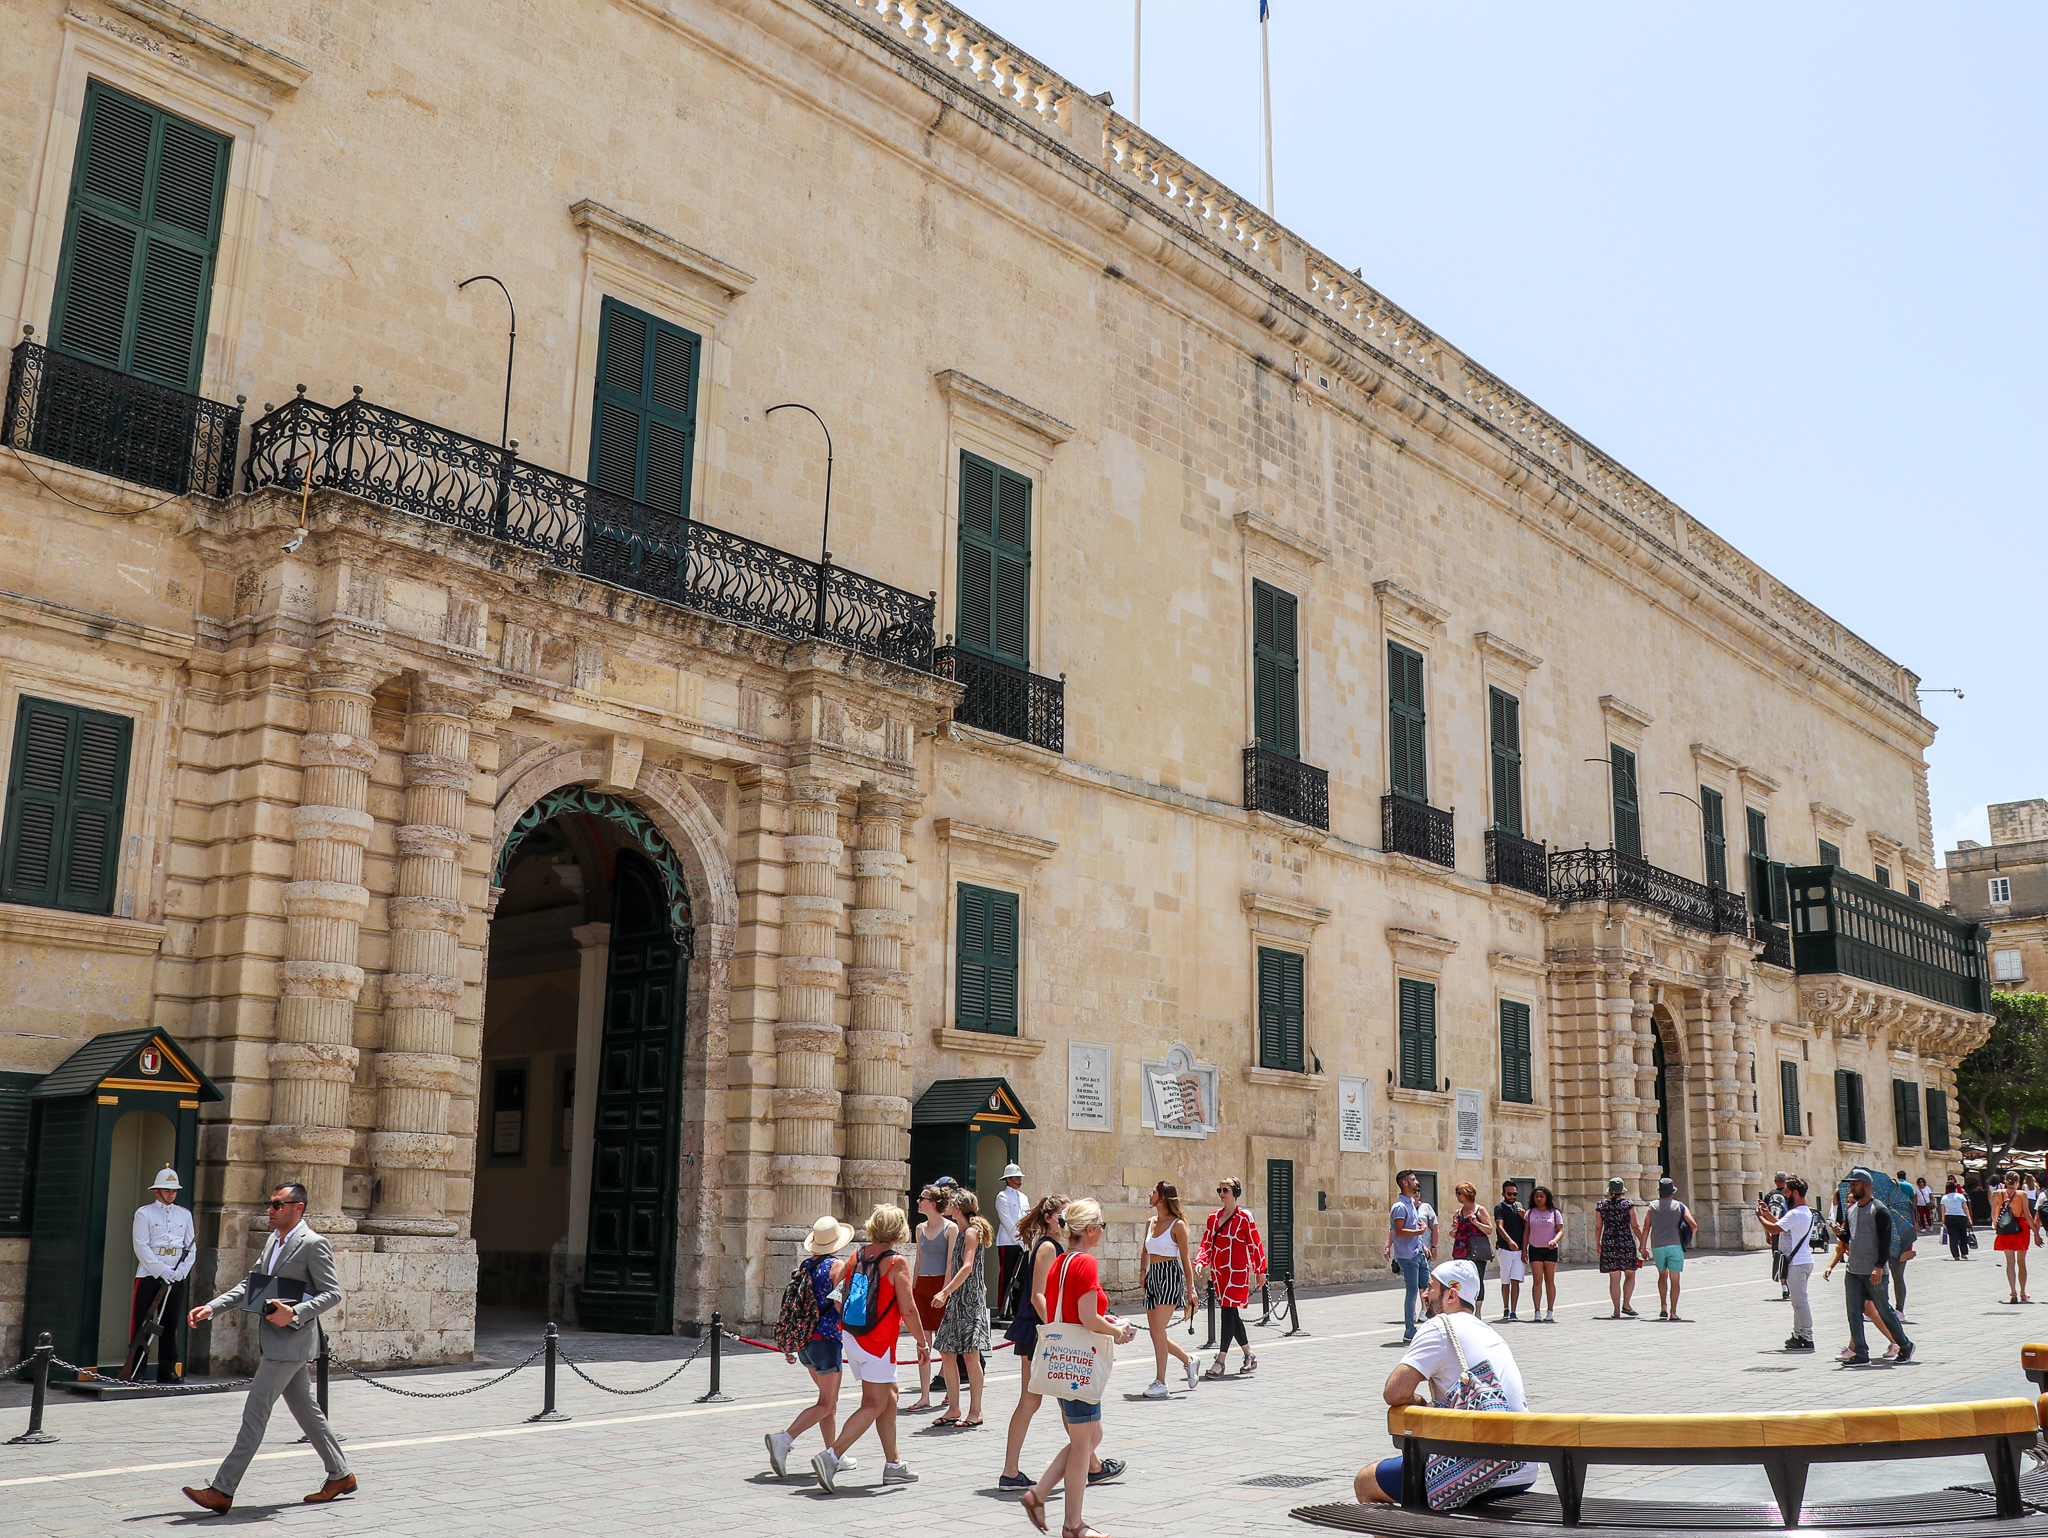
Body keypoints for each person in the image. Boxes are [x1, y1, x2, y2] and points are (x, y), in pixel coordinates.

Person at [180, 1184, 351, 1513]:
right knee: (308, 1414)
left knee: (254, 1415)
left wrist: (296, 1313)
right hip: (277, 1342)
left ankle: (222, 1489)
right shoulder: (274, 1240)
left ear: (297, 1207)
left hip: (291, 1345)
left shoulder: (314, 1244)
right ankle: (340, 1475)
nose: (269, 1210)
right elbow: (251, 1285)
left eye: (276, 1204)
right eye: (269, 1204)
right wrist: (212, 1308)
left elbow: (331, 1293)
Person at [1353, 1260, 1541, 1508]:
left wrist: (1421, 1402)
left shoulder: (1440, 1326)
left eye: (1431, 1287)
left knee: (1366, 1482)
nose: (1424, 1293)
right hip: (1521, 1470)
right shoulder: (1490, 1333)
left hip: (1481, 1468)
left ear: (1451, 1295)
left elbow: (1395, 1392)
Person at [1017, 1199, 1137, 1538]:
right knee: (1084, 1443)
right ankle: (1073, 1525)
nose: (1103, 1230)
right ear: (1089, 1230)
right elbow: (1085, 1317)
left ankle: (1038, 1494)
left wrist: (1106, 1319)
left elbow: (1067, 1310)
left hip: (1063, 1357)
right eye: (1101, 1224)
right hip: (1080, 1361)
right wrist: (1117, 1330)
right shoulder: (1085, 1262)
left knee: (1089, 1437)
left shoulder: (1061, 1261)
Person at [1000, 1194, 1123, 1493]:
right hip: (1042, 1332)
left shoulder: (1056, 1249)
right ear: (1049, 1218)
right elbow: (1038, 1296)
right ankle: (1012, 1471)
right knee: (1037, 1400)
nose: (1066, 1221)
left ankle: (1090, 1464)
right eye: (1062, 1215)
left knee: (1063, 1401)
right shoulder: (1047, 1248)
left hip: (1049, 1331)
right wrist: (1057, 1331)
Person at [813, 1204, 931, 1492]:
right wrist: (922, 1341)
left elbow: (838, 1297)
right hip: (878, 1343)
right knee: (873, 1403)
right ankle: (831, 1456)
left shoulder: (856, 1255)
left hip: (853, 1336)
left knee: (890, 1395)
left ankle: (894, 1464)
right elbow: (909, 1308)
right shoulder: (896, 1262)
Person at [766, 1214, 859, 1478]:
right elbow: (841, 1305)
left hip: (805, 1342)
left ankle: (833, 1454)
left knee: (827, 1402)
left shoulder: (805, 1266)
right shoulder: (837, 1267)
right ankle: (783, 1439)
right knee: (827, 1403)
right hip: (827, 1341)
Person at [1828, 1168, 1913, 1366]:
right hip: (1854, 1270)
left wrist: (1879, 1266)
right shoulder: (1851, 1211)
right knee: (1853, 1312)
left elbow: (1885, 1241)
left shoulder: (1880, 1210)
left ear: (1866, 1185)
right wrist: (1840, 1233)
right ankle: (1860, 1352)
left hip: (1874, 1270)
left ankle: (1905, 1344)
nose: (1852, 1188)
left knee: (1884, 1310)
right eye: (1851, 1184)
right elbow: (1852, 1239)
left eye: (1855, 1184)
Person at [126, 1167, 196, 1383]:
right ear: (156, 1191)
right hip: (150, 1274)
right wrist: (161, 1270)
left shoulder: (184, 1214)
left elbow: (191, 1247)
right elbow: (141, 1246)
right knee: (143, 1322)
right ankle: (136, 1369)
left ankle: (167, 1369)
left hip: (175, 1275)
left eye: (174, 1190)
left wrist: (180, 1272)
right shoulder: (144, 1213)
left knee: (170, 1323)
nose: (171, 1194)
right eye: (166, 1190)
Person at [1195, 1176, 1267, 1377]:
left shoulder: (1245, 1217)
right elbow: (1207, 1242)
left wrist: (1260, 1270)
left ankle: (1221, 1360)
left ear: (1235, 1193)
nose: (1222, 1194)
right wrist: (1201, 1260)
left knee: (1227, 1312)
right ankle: (1249, 1354)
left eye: (1225, 1190)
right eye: (1219, 1190)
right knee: (1232, 1314)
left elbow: (1255, 1243)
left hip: (1237, 1271)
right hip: (1219, 1272)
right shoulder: (1213, 1217)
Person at [932, 1189, 992, 1427]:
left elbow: (967, 1266)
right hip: (959, 1299)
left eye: (951, 1205)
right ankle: (954, 1408)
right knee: (947, 1352)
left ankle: (975, 1411)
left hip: (967, 1301)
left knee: (970, 1356)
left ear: (957, 1209)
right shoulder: (961, 1232)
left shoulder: (971, 1233)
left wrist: (945, 1291)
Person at [1139, 1181, 1198, 1396]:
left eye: (1153, 1192)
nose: (1149, 1194)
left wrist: (1191, 1289)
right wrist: (1142, 1271)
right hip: (1153, 1276)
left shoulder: (1178, 1225)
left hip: (1170, 1275)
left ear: (1162, 1198)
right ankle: (1188, 1360)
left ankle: (1161, 1382)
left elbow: (1185, 1259)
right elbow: (1145, 1250)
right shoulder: (1150, 1222)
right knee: (1156, 1333)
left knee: (1157, 1330)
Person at [908, 1186, 956, 1410]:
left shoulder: (951, 1228)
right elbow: (918, 1260)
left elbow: (950, 1263)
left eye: (922, 1198)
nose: (918, 1201)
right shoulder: (919, 1228)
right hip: (922, 1288)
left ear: (933, 1203)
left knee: (945, 1343)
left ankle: (949, 1391)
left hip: (940, 1285)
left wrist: (945, 1291)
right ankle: (924, 1395)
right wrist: (913, 1289)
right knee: (923, 1343)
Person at [1756, 1176, 1816, 1350]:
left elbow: (1774, 1229)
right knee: (1798, 1302)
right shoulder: (1804, 1212)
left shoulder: (1796, 1213)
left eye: (1787, 1191)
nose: (1785, 1195)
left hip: (1796, 1263)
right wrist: (1767, 1214)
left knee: (1800, 1302)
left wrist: (1760, 1217)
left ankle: (1806, 1336)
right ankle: (1798, 1334)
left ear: (1796, 1193)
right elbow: (1782, 1225)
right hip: (1801, 1261)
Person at [1384, 1170, 1439, 1342]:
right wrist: (1420, 1231)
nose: (1416, 1182)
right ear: (1405, 1183)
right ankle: (1409, 1329)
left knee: (1430, 1287)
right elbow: (1399, 1232)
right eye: (1413, 1179)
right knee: (1413, 1291)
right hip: (1407, 1257)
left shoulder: (1411, 1204)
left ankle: (1434, 1324)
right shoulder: (1399, 1206)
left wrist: (1423, 1244)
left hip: (1419, 1253)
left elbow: (1414, 1232)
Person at [1645, 1177, 1694, 1321]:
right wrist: (1687, 1239)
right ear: (1672, 1192)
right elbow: (1694, 1224)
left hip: (1658, 1245)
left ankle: (1663, 1307)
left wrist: (1642, 1247)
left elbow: (1646, 1227)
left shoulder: (1652, 1206)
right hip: (1675, 1245)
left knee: (1662, 1276)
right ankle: (1673, 1312)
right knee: (1675, 1279)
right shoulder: (1680, 1206)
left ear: (1660, 1192)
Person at [1595, 1177, 1645, 1319]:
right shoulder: (1628, 1204)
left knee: (1614, 1277)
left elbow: (1598, 1226)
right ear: (1622, 1191)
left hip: (1609, 1242)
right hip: (1626, 1242)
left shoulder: (1601, 1205)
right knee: (1630, 1273)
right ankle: (1627, 1304)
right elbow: (1635, 1226)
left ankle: (1616, 1310)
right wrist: (1642, 1242)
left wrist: (1598, 1243)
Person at [1449, 1183, 1495, 1310]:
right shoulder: (1458, 1212)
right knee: (1460, 1281)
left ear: (1468, 1194)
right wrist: (1454, 1228)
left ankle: (1478, 1311)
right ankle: (1462, 1308)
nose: (1457, 1196)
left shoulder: (1480, 1210)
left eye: (1460, 1193)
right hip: (1460, 1251)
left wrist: (1476, 1223)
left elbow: (1489, 1230)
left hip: (1476, 1251)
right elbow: (1453, 1235)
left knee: (1477, 1281)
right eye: (1457, 1193)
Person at [995, 1162, 1029, 1323]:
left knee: (1021, 1278)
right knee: (1007, 1276)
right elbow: (1007, 1220)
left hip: (1023, 1242)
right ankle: (1003, 1309)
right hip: (1008, 1242)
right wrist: (1019, 1239)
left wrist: (1026, 1238)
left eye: (1020, 1177)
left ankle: (1018, 1309)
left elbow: (1026, 1218)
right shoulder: (1002, 1196)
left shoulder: (1024, 1197)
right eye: (1016, 1177)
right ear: (1008, 1179)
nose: (1019, 1180)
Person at [1523, 1187, 1563, 1322]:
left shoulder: (1555, 1213)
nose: (1538, 1199)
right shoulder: (1529, 1213)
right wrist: (1524, 1250)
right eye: (1536, 1197)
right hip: (1535, 1249)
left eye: (1541, 1196)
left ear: (1547, 1198)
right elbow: (1526, 1232)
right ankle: (1537, 1311)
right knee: (1537, 1281)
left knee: (1550, 1281)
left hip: (1550, 1250)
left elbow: (1560, 1230)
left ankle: (1550, 1310)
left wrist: (1554, 1241)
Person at [1994, 1170, 2033, 1303]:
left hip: (2005, 1227)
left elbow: (1994, 1213)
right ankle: (2023, 1292)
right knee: (2021, 1262)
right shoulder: (2022, 1194)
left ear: (2005, 1181)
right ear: (2017, 1182)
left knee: (2010, 1262)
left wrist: (1996, 1226)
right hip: (2020, 1227)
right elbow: (2027, 1214)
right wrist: (2036, 1232)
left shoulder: (1998, 1194)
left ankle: (2013, 1292)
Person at [1492, 1181, 1527, 1322]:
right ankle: (1506, 1307)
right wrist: (1509, 1241)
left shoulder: (1519, 1209)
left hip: (1519, 1250)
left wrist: (1524, 1217)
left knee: (1516, 1280)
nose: (1512, 1196)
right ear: (1503, 1194)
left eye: (1515, 1194)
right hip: (1505, 1249)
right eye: (1509, 1194)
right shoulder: (1499, 1208)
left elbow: (1527, 1229)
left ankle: (1514, 1311)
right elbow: (1500, 1226)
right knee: (1505, 1280)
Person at [1765, 1173, 1791, 1299]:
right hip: (1789, 1230)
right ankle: (1791, 1284)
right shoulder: (1790, 1194)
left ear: (1775, 1181)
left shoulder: (1769, 1196)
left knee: (1780, 1259)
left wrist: (1767, 1233)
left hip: (1775, 1230)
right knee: (1790, 1258)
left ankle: (1784, 1287)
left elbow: (1765, 1215)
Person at [1941, 1178, 1972, 1260]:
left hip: (1949, 1217)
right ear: (1955, 1188)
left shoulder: (1944, 1198)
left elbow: (1943, 1210)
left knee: (1953, 1237)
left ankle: (1956, 1255)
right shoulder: (1961, 1196)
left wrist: (1943, 1220)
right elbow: (1965, 1208)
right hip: (1961, 1217)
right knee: (1963, 1235)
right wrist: (1969, 1218)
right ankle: (1964, 1253)